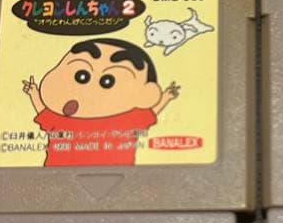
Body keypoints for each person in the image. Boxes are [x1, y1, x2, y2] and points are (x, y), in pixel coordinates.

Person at [22, 38, 179, 166]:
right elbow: (44, 113)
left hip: (118, 171)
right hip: (58, 174)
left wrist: (166, 97)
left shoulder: (127, 119)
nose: (89, 89)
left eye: (107, 81)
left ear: (146, 94)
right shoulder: (61, 119)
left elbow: (150, 113)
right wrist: (34, 93)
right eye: (81, 76)